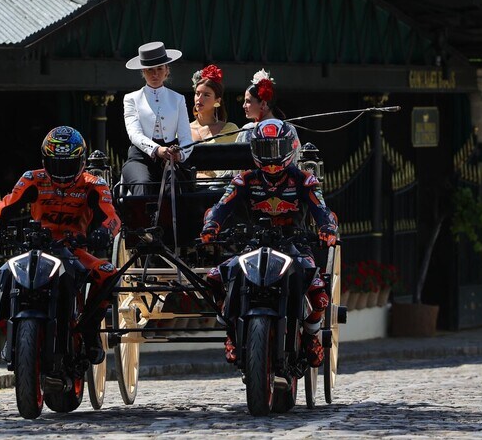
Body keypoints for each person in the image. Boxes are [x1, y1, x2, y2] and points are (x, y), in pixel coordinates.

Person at [0, 126, 121, 364]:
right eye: (55, 164)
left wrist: (103, 233)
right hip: (35, 247)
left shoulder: (94, 183)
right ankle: (13, 330)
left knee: (108, 275)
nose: (61, 172)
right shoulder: (32, 178)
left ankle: (89, 330)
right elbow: (5, 205)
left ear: (81, 161)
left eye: (67, 165)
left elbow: (111, 216)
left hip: (73, 249)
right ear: (44, 159)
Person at [200, 119, 338, 367]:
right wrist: (211, 226)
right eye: (265, 150)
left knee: (318, 292)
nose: (271, 158)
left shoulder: (305, 180)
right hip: (251, 246)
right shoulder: (243, 180)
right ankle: (231, 332)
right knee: (214, 278)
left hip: (295, 246)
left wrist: (327, 228)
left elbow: (322, 210)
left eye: (276, 149)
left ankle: (310, 336)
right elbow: (220, 208)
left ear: (290, 147)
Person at [122, 41, 194, 196]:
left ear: (167, 70)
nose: (155, 74)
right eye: (150, 70)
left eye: (160, 69)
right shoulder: (131, 99)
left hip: (170, 156)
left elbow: (186, 137)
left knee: (175, 186)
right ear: (143, 71)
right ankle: (141, 220)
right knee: (142, 185)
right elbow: (134, 134)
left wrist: (180, 154)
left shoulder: (178, 99)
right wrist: (156, 149)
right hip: (140, 157)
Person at [189, 64, 239, 179]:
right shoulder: (183, 129)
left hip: (220, 189)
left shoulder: (230, 129)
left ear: (217, 101)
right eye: (197, 94)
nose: (199, 99)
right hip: (188, 188)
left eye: (206, 95)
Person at [235, 68, 281, 143]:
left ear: (263, 104)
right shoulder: (288, 128)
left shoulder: (248, 129)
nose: (244, 106)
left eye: (248, 101)